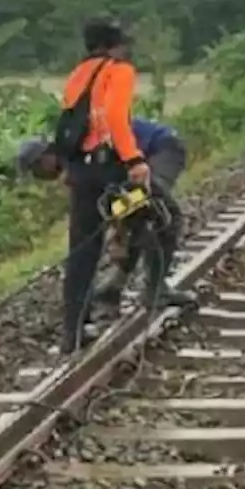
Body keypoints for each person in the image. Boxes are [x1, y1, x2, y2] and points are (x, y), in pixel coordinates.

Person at [18, 117, 194, 315]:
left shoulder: (76, 151)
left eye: (37, 169)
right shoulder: (73, 158)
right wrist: (120, 228)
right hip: (132, 163)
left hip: (161, 147)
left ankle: (155, 289)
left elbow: (114, 177)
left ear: (46, 156)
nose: (39, 175)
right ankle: (116, 287)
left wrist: (120, 232)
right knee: (135, 216)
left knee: (161, 213)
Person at [55, 18, 151, 354]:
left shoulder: (77, 74)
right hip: (110, 171)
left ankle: (73, 330)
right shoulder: (118, 71)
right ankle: (146, 288)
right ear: (114, 45)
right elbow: (115, 117)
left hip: (81, 173)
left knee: (82, 249)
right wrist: (135, 160)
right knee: (146, 217)